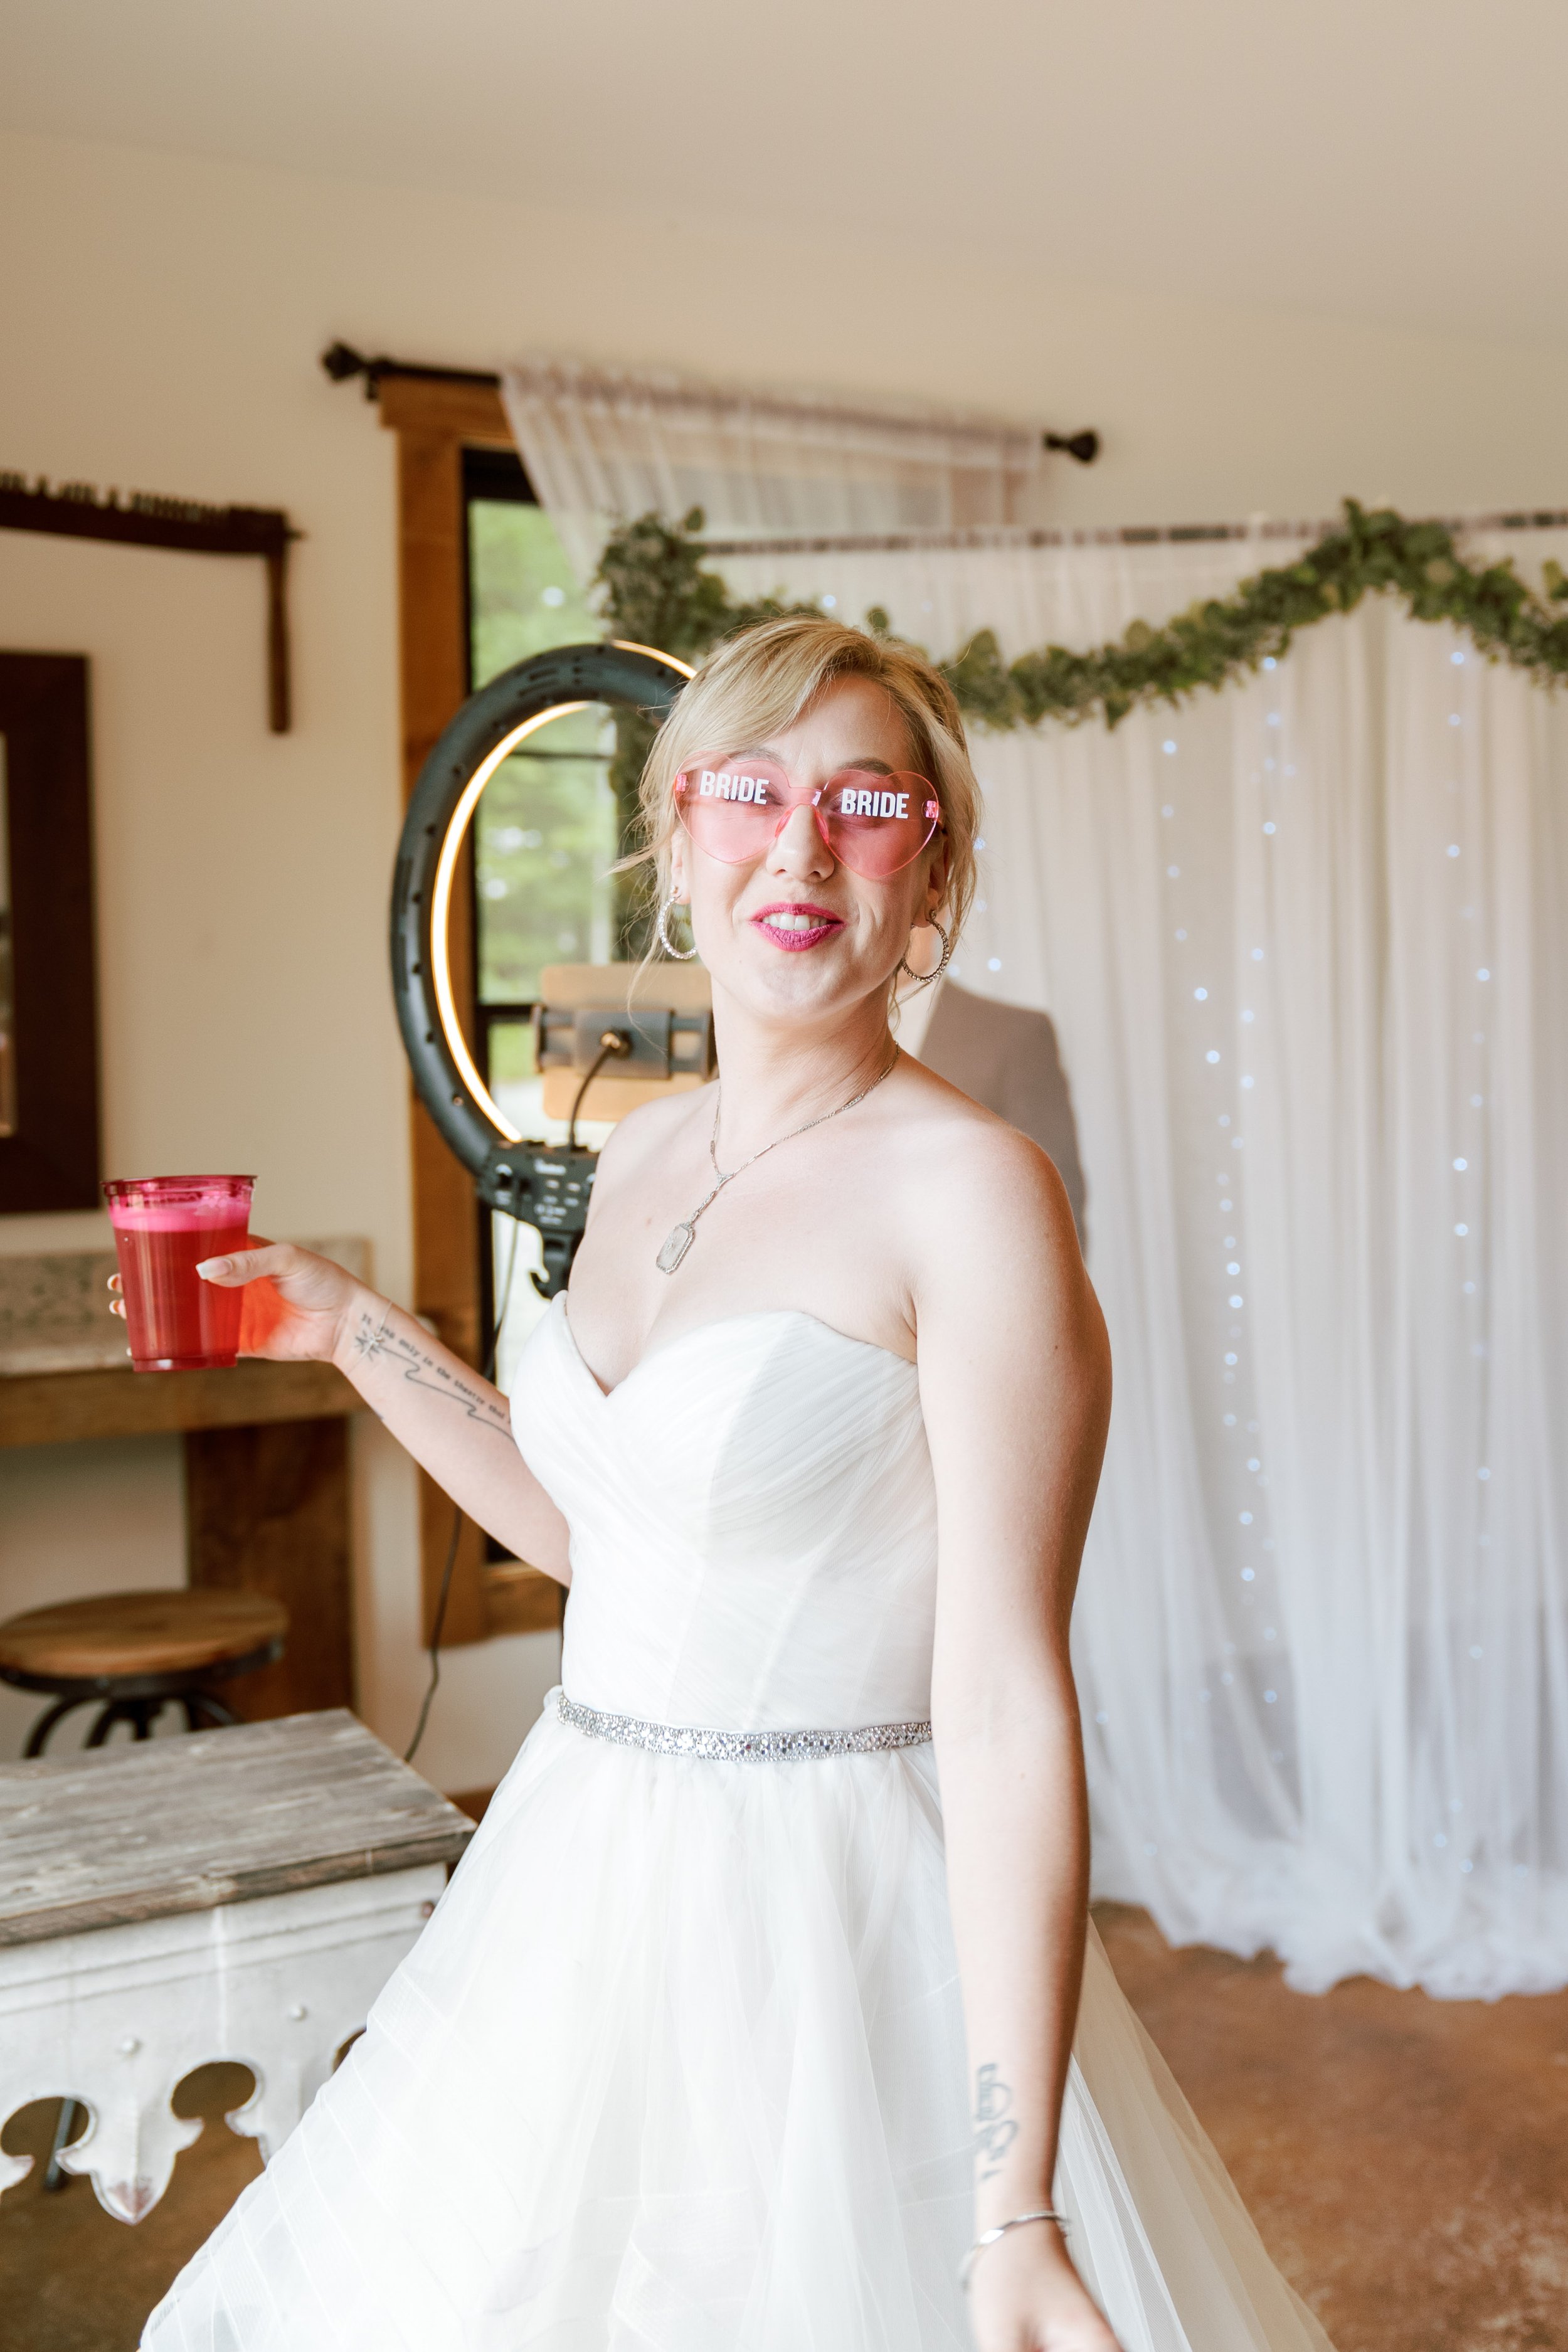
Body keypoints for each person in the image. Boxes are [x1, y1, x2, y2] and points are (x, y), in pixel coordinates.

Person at [139, 619, 1333, 2351]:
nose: (797, 844)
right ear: (677, 845)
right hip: (580, 1871)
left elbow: (1001, 1702)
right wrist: (342, 1328)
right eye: (750, 791)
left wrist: (1010, 2201)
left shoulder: (974, 1193)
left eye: (863, 802)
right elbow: (598, 1543)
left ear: (930, 870)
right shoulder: (639, 1151)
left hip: (830, 1917)